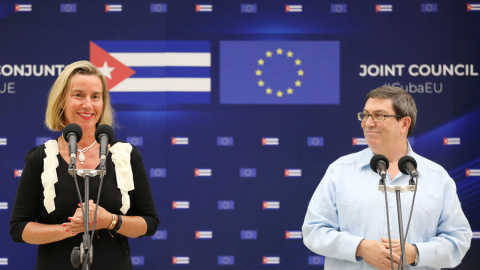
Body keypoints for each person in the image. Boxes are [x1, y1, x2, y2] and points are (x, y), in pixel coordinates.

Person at [10, 60, 159, 269]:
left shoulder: (126, 156)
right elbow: (19, 229)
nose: (88, 104)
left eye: (95, 97)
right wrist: (73, 228)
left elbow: (149, 223)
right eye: (78, 95)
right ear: (61, 101)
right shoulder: (41, 158)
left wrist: (110, 221)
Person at [302, 86, 472, 270]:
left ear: (404, 123)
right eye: (365, 115)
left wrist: (416, 253)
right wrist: (360, 247)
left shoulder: (436, 177)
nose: (367, 123)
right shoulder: (340, 170)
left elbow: (458, 240)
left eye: (379, 115)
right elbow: (314, 231)